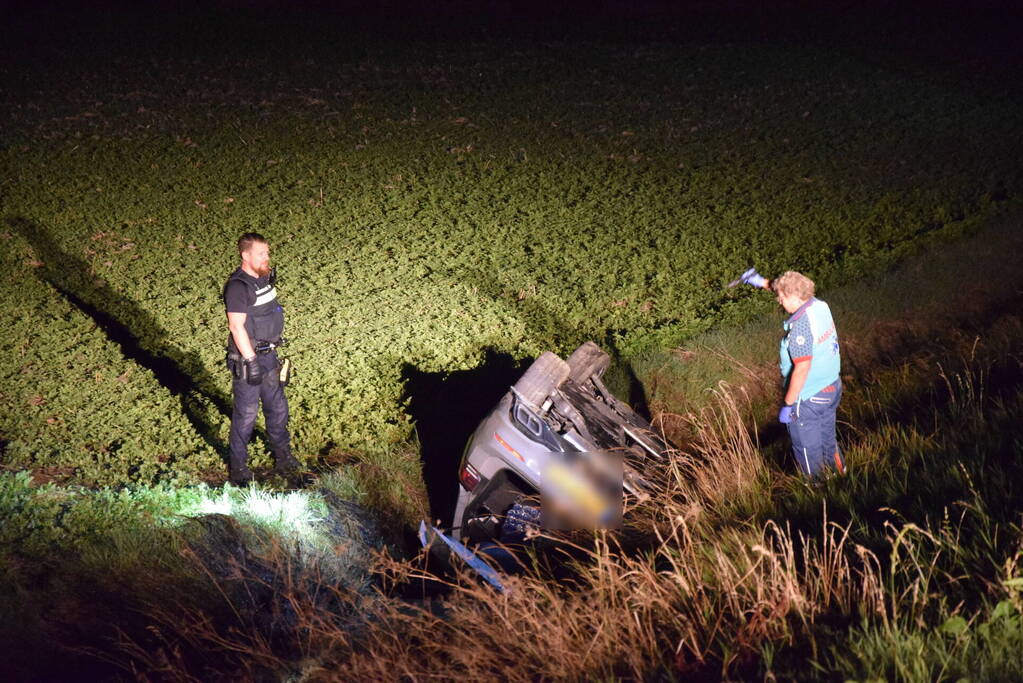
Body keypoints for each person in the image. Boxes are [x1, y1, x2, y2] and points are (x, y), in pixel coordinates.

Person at [740, 268, 845, 478]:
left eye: (781, 297)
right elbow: (790, 289)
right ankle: (841, 474)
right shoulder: (819, 306)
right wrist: (762, 282)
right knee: (827, 437)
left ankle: (816, 487)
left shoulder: (800, 328)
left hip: (809, 396)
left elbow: (802, 368)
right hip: (832, 387)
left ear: (795, 298)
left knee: (807, 448)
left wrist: (788, 404)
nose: (779, 301)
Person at [223, 232, 300, 485]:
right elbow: (236, 327)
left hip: (270, 356)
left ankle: (283, 458)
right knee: (246, 415)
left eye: (267, 252)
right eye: (261, 253)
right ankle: (238, 469)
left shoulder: (263, 278)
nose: (266, 257)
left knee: (277, 409)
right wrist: (250, 361)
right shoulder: (237, 287)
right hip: (249, 360)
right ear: (245, 255)